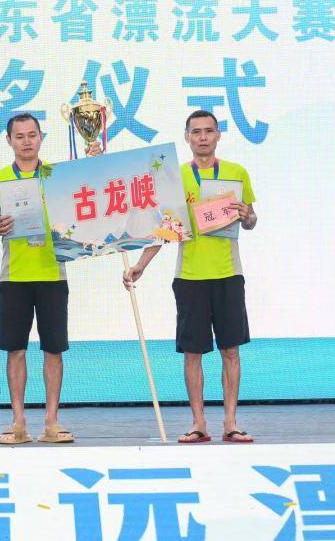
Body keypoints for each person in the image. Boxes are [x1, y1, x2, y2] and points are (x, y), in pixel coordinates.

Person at [122, 110, 258, 443]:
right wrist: (141, 265)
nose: (202, 137)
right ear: (187, 137)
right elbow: (167, 229)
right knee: (192, 353)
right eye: (196, 132)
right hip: (189, 277)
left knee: (231, 351)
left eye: (208, 131)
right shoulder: (177, 177)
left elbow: (251, 220)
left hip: (228, 274)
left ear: (218, 135)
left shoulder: (236, 173)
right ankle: (199, 423)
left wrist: (247, 216)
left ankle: (230, 422)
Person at [0, 113, 100, 444]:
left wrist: (95, 161)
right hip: (14, 277)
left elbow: (89, 201)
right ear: (9, 141)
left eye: (32, 135)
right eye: (20, 136)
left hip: (52, 274)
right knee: (15, 350)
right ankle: (18, 422)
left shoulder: (57, 176)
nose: (27, 141)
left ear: (41, 137)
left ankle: (51, 422)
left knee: (53, 350)